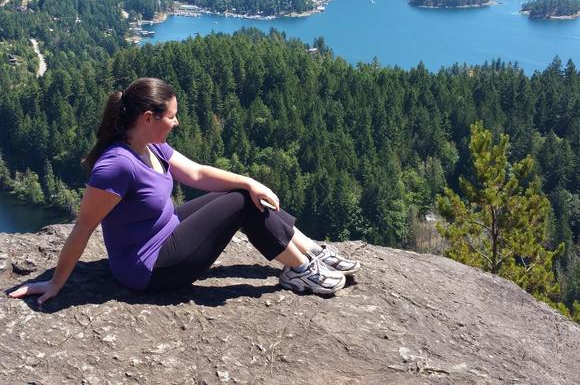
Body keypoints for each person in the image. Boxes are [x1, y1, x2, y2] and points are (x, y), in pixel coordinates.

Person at [9, 77, 360, 304]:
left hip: (166, 233)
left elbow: (196, 173)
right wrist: (56, 283)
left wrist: (249, 180)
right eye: (172, 116)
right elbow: (83, 227)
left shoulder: (151, 145)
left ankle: (312, 251)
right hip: (148, 268)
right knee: (240, 203)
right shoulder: (116, 165)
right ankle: (300, 270)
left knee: (242, 192)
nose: (177, 122)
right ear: (148, 118)